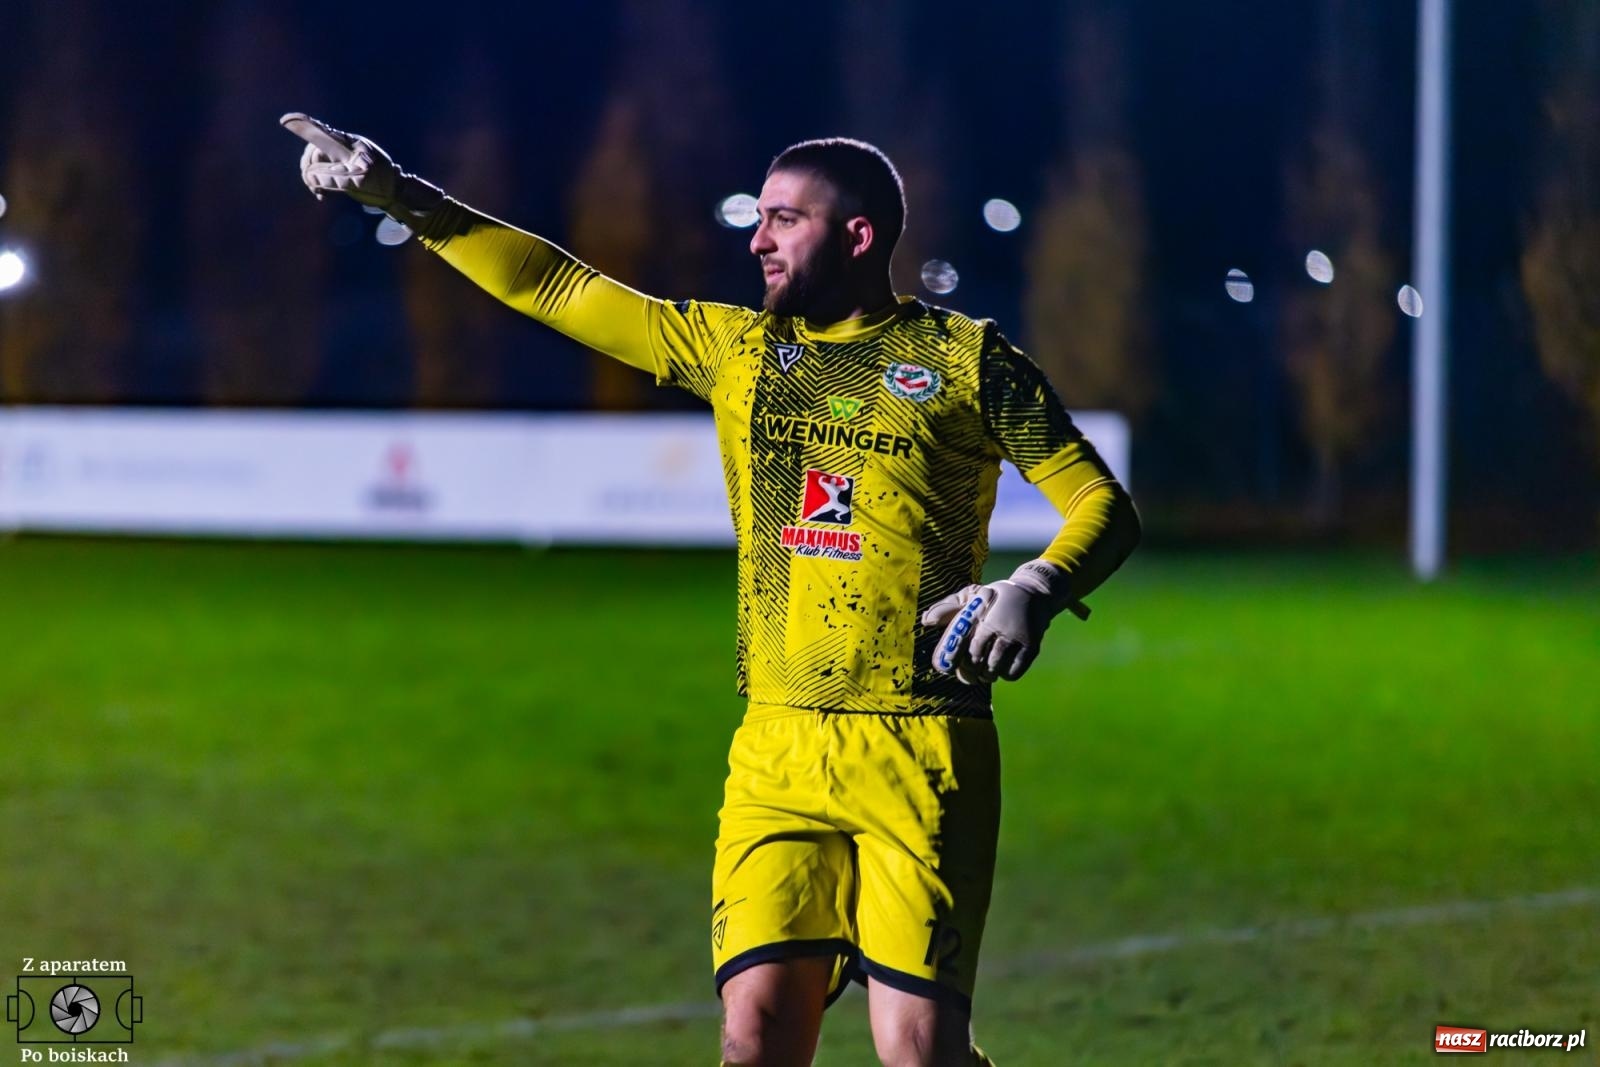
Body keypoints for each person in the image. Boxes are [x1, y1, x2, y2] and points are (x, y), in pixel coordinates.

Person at [284, 113, 1140, 1067]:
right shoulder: (736, 352)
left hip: (920, 740)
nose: (758, 237)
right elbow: (558, 287)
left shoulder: (966, 363)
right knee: (756, 1038)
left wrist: (1037, 584)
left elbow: (1100, 501)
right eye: (760, 216)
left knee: (918, 1052)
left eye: (786, 219)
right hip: (777, 743)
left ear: (858, 236)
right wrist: (405, 197)